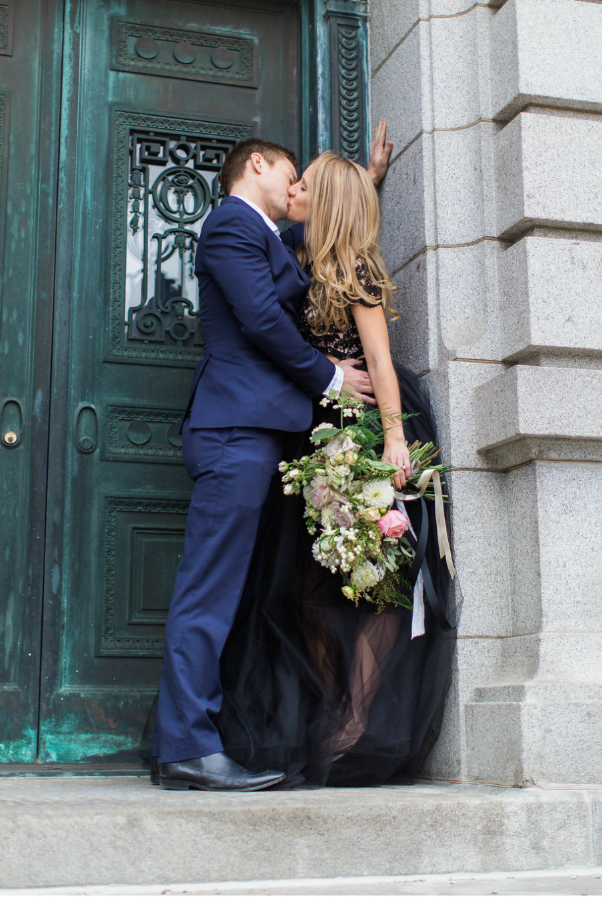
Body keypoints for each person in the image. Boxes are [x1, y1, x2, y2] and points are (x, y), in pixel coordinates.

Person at [212, 150, 457, 789]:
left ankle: (359, 715)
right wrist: (362, 181)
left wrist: (396, 440)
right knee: (307, 588)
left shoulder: (356, 271)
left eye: (306, 184)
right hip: (312, 438)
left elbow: (379, 361)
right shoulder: (292, 259)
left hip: (369, 433)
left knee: (375, 580)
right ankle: (331, 704)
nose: (293, 189)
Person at [152, 138, 378, 791]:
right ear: (257, 165)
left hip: (257, 435)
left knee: (228, 597)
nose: (293, 186)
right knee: (208, 595)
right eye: (289, 173)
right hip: (233, 433)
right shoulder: (231, 223)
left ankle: (194, 739)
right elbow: (259, 318)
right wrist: (330, 378)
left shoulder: (267, 237)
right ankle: (187, 747)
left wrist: (359, 183)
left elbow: (303, 282)